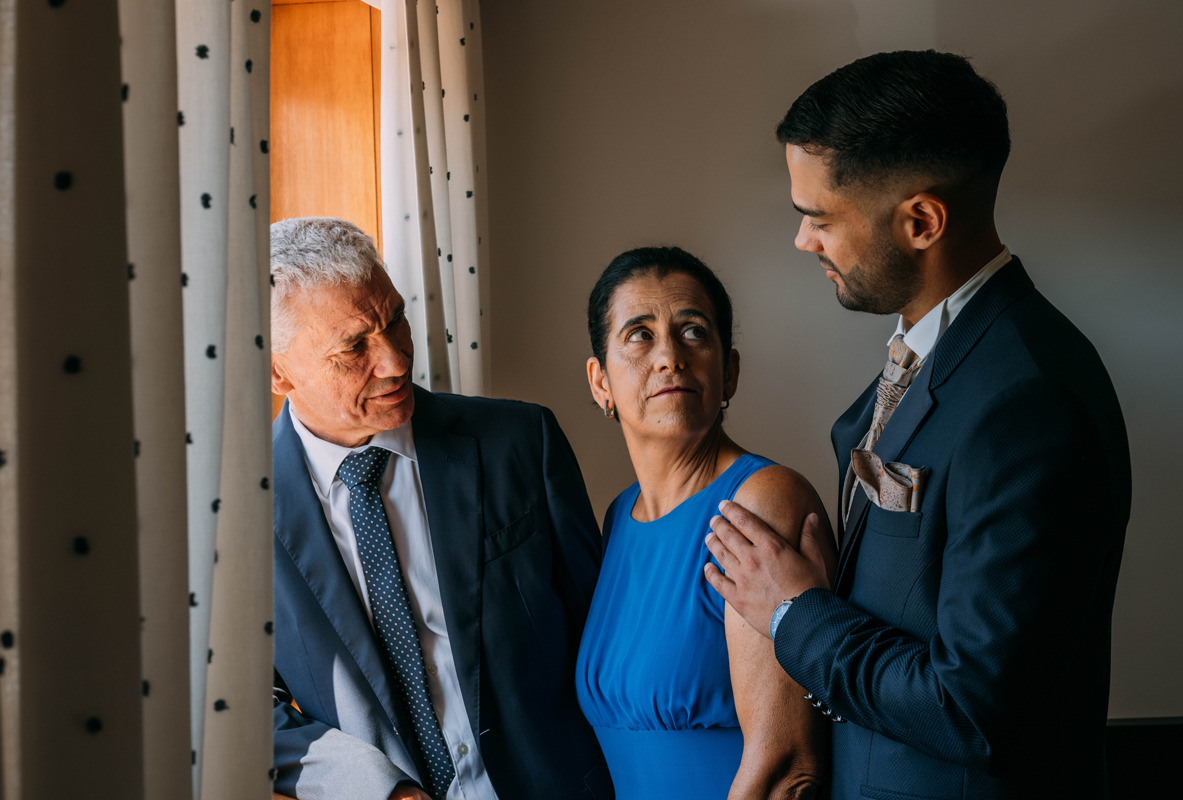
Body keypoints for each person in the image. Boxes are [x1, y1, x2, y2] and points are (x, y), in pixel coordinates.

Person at [704, 51, 1131, 800]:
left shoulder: (1029, 399)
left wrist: (795, 616)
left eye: (819, 218)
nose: (803, 240)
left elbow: (973, 708)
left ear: (922, 222)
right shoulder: (934, 356)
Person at [269, 217, 613, 800]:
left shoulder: (521, 441)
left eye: (395, 319)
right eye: (354, 347)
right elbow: (244, 707)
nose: (396, 361)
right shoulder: (237, 519)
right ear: (280, 371)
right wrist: (373, 788)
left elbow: (602, 634)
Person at [575, 246, 835, 799]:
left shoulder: (761, 501)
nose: (669, 356)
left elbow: (785, 769)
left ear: (729, 371)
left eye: (693, 332)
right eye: (639, 335)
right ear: (600, 383)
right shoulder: (618, 517)